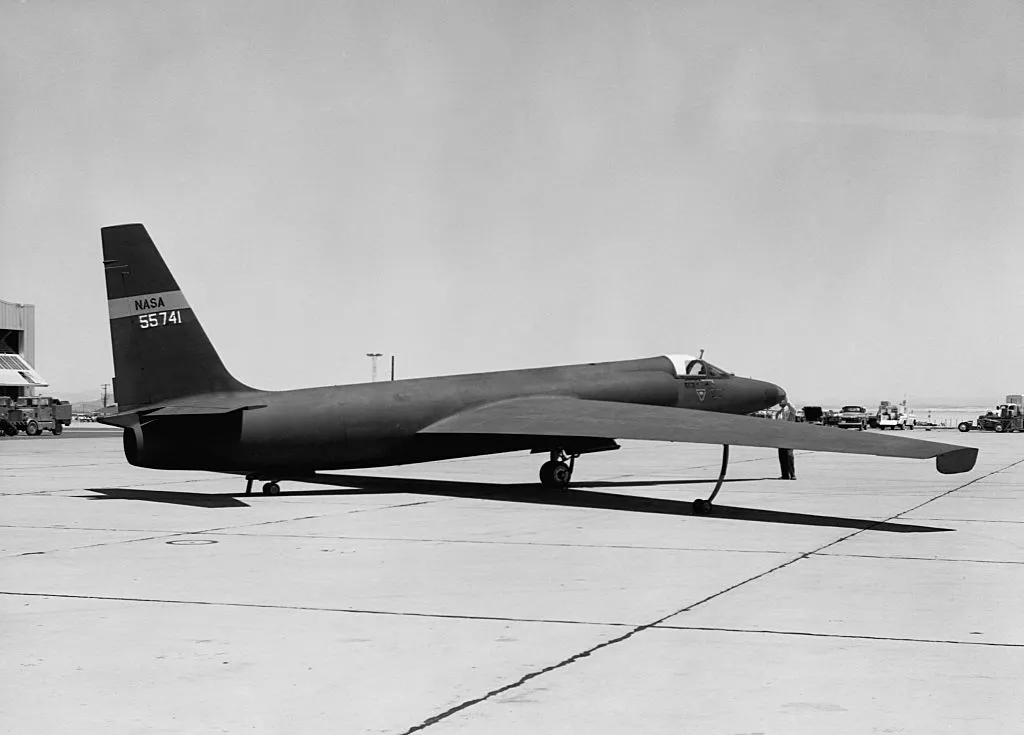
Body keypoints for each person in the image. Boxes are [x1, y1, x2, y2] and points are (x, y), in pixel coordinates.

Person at [777, 399, 796, 480]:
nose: (779, 403)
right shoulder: (778, 413)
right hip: (780, 435)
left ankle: (792, 474)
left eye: (780, 401)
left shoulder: (790, 410)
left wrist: (786, 401)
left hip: (789, 435)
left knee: (789, 455)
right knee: (782, 455)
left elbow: (794, 409)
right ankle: (785, 475)